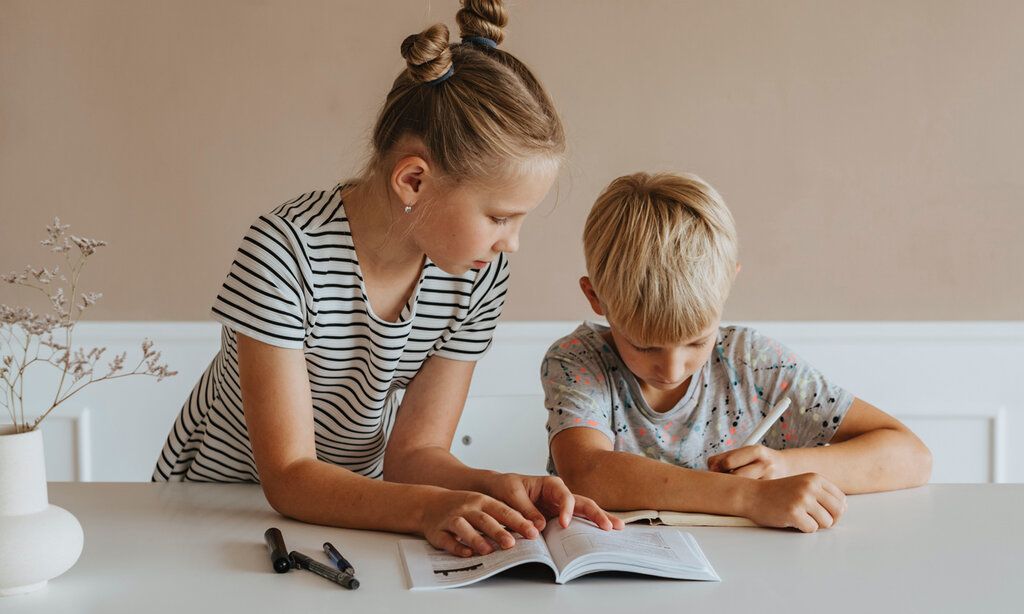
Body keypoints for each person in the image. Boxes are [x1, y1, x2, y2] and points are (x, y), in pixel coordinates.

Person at [153, 0, 621, 558]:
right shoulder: (283, 251)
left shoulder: (476, 275)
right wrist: (427, 509)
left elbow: (414, 455)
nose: (510, 242)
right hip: (213, 510)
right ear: (414, 180)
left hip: (355, 510)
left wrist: (500, 487)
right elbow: (289, 476)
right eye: (499, 217)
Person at [544, 172, 933, 532]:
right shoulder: (578, 360)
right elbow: (588, 473)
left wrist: (783, 467)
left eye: (696, 341)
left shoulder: (753, 362)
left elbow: (912, 457)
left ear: (728, 283)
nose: (672, 368)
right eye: (645, 346)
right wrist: (749, 497)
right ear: (595, 297)